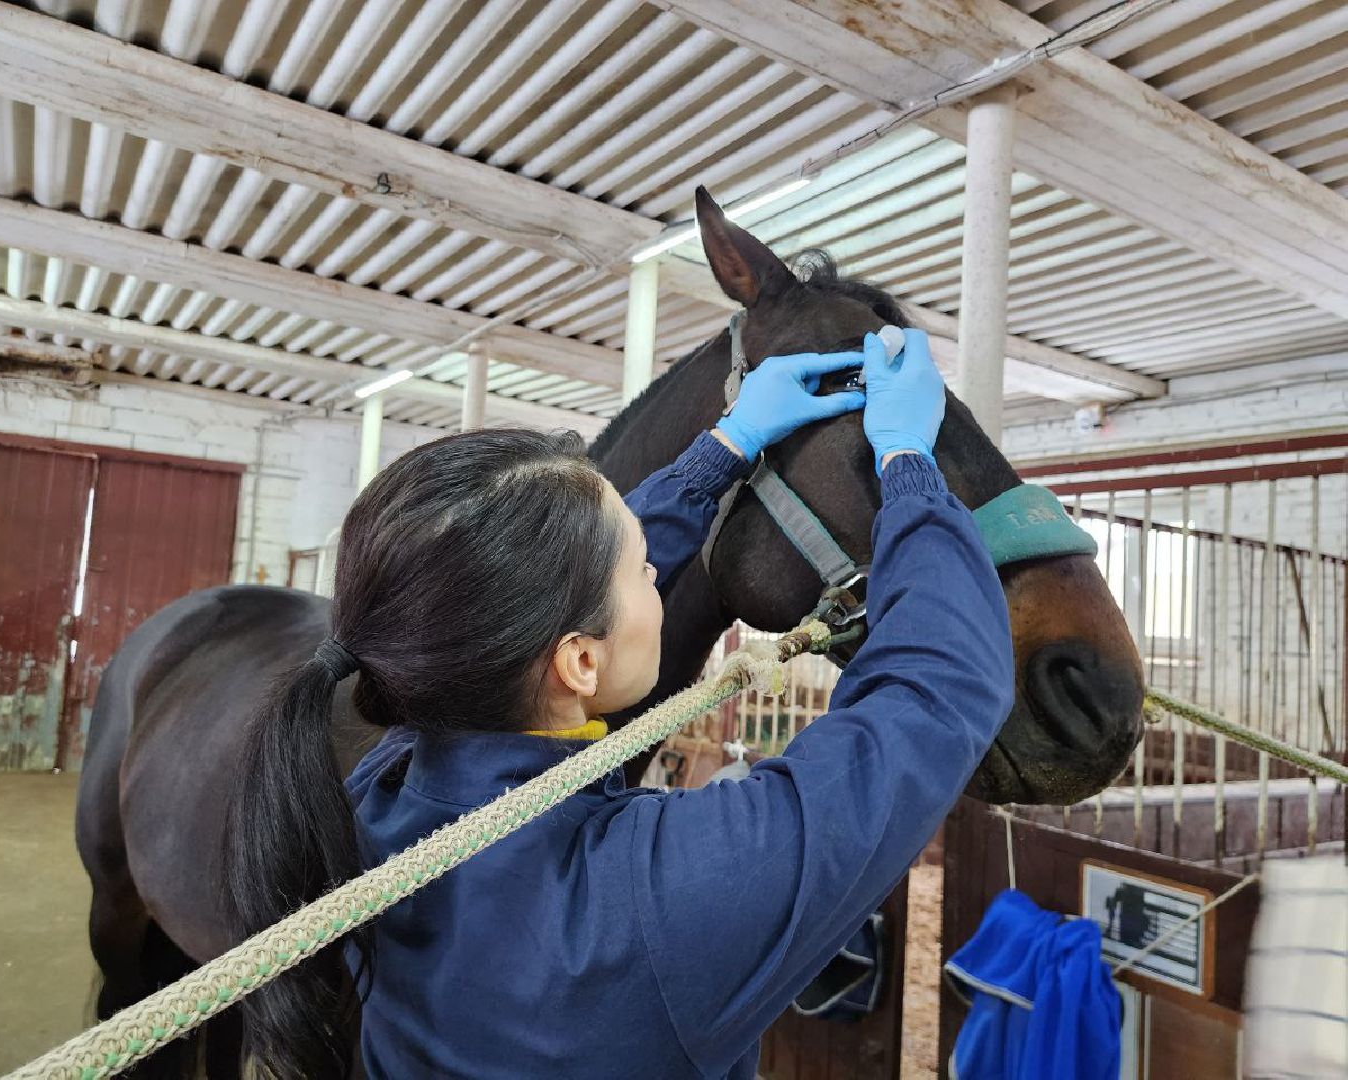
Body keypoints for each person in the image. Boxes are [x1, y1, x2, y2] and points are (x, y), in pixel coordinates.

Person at [223, 329, 1015, 1079]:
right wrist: (909, 466)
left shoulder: (381, 795)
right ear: (578, 661)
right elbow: (934, 691)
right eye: (641, 569)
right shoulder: (657, 895)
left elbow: (542, 591)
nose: (656, 575)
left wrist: (726, 446)